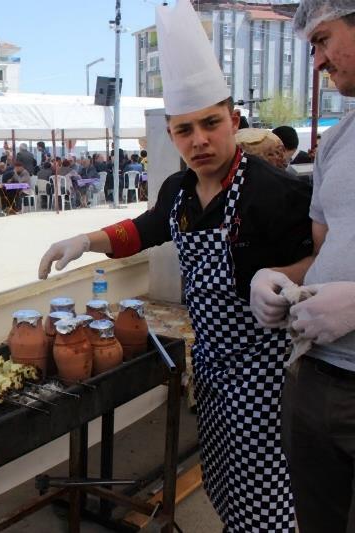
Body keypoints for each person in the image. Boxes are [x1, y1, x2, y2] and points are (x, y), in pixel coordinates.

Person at [40, 1, 313, 530]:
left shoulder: (275, 192)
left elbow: (324, 259)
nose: (200, 141)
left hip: (266, 374)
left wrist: (286, 278)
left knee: (266, 496)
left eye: (211, 124)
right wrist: (86, 239)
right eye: (185, 130)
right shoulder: (180, 190)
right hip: (209, 367)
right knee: (223, 484)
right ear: (171, 135)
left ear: (234, 121)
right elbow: (147, 228)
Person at [250, 3, 355, 531]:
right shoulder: (339, 140)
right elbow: (323, 253)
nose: (317, 61)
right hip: (315, 374)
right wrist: (276, 280)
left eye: (322, 40)